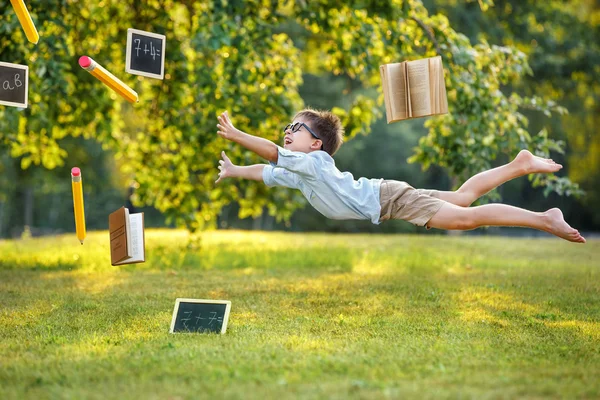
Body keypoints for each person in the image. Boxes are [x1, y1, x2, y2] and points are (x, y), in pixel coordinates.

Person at [214, 108, 585, 243]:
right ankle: (518, 164)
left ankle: (544, 219)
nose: (287, 131)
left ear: (316, 145)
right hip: (387, 196)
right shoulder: (302, 171)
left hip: (390, 198)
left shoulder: (311, 163)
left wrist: (238, 136)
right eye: (287, 126)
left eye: (297, 127)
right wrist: (233, 170)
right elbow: (267, 169)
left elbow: (269, 152)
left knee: (465, 218)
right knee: (463, 198)